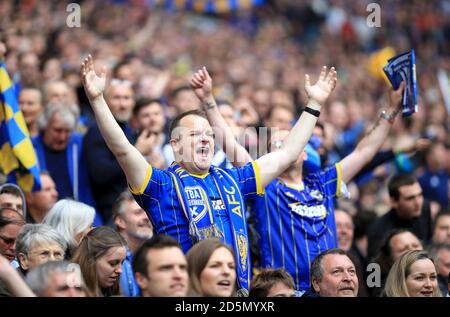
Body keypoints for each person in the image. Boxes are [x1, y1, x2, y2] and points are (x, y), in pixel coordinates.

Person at [81, 55, 334, 294]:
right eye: (194, 135)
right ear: (175, 145)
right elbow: (122, 150)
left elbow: (289, 153)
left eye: (208, 136)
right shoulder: (160, 185)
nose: (204, 140)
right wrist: (97, 100)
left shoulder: (233, 180)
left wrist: (315, 104)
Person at [195, 63, 404, 290]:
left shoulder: (323, 183)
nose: (284, 146)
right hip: (284, 291)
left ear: (303, 152)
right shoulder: (265, 187)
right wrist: (208, 100)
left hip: (329, 291)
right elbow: (231, 146)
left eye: (290, 141)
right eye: (276, 144)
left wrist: (391, 111)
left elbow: (364, 152)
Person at [83, 77, 136, 224]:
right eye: (117, 98)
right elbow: (100, 174)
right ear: (105, 101)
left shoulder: (129, 130)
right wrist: (138, 152)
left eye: (127, 98)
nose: (123, 104)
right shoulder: (96, 131)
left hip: (133, 209)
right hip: (110, 215)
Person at [32, 103, 98, 220]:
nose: (62, 137)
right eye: (57, 130)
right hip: (43, 217)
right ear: (45, 126)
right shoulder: (31, 148)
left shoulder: (80, 144)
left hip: (78, 215)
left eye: (67, 131)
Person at [367, 174, 433, 260]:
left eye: (420, 195)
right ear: (393, 201)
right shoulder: (378, 230)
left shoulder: (424, 208)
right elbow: (374, 269)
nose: (418, 202)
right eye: (410, 198)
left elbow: (428, 241)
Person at [113, 190, 153, 296]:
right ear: (120, 221)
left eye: (147, 212)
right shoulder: (110, 257)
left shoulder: (158, 254)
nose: (146, 217)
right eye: (138, 212)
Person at [71, 226, 127, 297]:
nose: (120, 270)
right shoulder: (70, 292)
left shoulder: (110, 291)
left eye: (122, 263)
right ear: (90, 259)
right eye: (112, 263)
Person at [370, 229, 423, 297]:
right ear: (390, 260)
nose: (413, 251)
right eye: (404, 249)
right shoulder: (385, 292)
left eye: (415, 246)